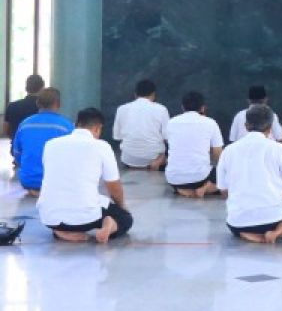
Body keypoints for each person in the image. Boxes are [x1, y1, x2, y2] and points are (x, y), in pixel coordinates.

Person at [217, 104, 282, 243]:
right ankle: (278, 232)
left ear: (246, 125)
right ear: (270, 127)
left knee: (236, 224)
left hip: (238, 224)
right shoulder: (280, 150)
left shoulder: (228, 151)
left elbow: (224, 191)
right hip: (274, 220)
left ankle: (252, 235)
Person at [37, 108, 133, 243]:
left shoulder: (50, 144)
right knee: (125, 218)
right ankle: (109, 225)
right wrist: (121, 206)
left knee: (82, 202)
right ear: (98, 128)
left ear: (76, 124)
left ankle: (63, 232)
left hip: (49, 218)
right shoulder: (101, 146)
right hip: (86, 220)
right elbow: (113, 186)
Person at [11, 88, 73, 194]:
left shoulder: (25, 124)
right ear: (58, 104)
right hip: (55, 181)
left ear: (37, 103)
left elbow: (16, 153)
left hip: (28, 180)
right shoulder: (66, 126)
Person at [164, 91, 224, 198]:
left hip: (174, 179)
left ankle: (183, 191)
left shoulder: (171, 122)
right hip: (200, 178)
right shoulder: (210, 123)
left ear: (183, 107)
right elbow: (218, 155)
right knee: (229, 174)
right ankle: (204, 189)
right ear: (203, 108)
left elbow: (171, 145)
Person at [112, 79, 170, 169]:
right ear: (153, 94)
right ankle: (157, 164)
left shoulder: (121, 109)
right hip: (154, 158)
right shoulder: (161, 109)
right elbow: (167, 137)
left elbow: (117, 136)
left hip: (129, 159)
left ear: (135, 94)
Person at [3, 73, 44, 139]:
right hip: (38, 147)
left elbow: (5, 130)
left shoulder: (12, 106)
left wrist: (15, 139)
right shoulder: (43, 108)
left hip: (17, 146)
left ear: (26, 88)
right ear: (42, 88)